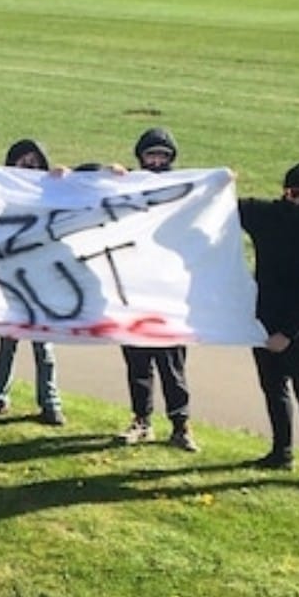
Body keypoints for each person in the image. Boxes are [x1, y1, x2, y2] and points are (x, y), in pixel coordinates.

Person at [240, 163, 299, 495]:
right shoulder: (267, 216)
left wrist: (287, 333)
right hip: (263, 319)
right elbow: (224, 206)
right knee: (273, 389)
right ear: (284, 192)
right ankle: (281, 452)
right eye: (294, 194)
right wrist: (221, 182)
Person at [116, 127, 198, 452]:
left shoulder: (184, 190)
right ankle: (141, 420)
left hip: (169, 293)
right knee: (137, 361)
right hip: (133, 290)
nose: (156, 161)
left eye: (163, 156)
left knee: (171, 363)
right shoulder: (127, 186)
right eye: (151, 155)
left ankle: (181, 424)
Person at [0, 139, 65, 425]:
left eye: (34, 162)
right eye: (22, 161)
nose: (28, 167)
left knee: (43, 344)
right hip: (11, 278)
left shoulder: (50, 193)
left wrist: (66, 177)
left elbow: (83, 187)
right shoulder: (4, 194)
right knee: (7, 341)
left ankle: (50, 402)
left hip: (41, 279)